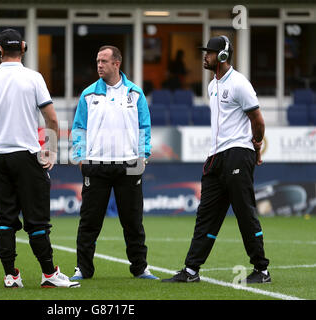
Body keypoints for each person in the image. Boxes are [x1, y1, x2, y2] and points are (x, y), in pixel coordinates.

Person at [0, 29, 79, 289]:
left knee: (4, 219)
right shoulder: (34, 78)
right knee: (37, 220)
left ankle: (11, 276)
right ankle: (48, 274)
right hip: (26, 157)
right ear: (23, 48)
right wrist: (52, 150)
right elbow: (52, 119)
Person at [162, 36, 270, 284]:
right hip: (216, 157)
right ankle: (191, 271)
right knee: (206, 215)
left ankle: (261, 270)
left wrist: (256, 146)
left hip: (238, 154)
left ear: (222, 56)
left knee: (244, 212)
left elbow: (258, 120)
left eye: (209, 52)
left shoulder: (240, 83)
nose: (205, 56)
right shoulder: (212, 85)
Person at [70, 45, 158, 281]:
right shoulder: (88, 94)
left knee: (133, 222)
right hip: (96, 165)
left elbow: (144, 127)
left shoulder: (135, 93)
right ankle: (83, 269)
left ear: (116, 64)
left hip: (129, 165)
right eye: (98, 61)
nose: (99, 65)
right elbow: (79, 127)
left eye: (104, 61)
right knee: (89, 222)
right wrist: (80, 157)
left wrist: (144, 155)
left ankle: (140, 268)